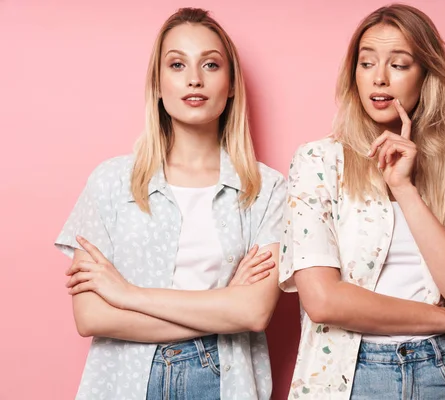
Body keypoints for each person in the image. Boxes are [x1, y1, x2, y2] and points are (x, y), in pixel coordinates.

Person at [55, 8, 285, 400]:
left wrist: (127, 295)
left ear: (230, 85)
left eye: (210, 64)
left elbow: (253, 313)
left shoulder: (267, 189)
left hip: (222, 379)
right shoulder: (111, 182)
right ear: (158, 85)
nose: (194, 78)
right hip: (126, 382)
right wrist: (222, 309)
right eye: (177, 64)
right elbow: (92, 316)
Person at [279, 4, 445, 399]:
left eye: (398, 65)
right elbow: (323, 300)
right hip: (349, 374)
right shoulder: (318, 162)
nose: (379, 78)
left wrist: (405, 189)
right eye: (366, 63)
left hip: (442, 372)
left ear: (426, 76)